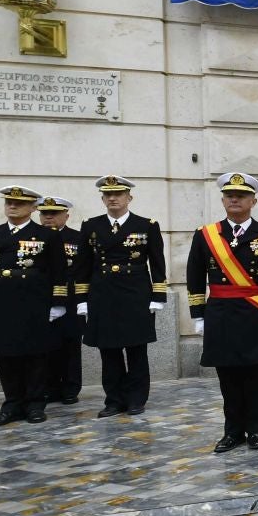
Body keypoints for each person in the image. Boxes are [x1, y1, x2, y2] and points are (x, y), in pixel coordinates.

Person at [187, 172, 258, 452]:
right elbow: (194, 275)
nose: (235, 199)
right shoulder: (206, 235)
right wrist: (198, 314)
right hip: (220, 313)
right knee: (228, 377)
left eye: (242, 196)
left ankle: (257, 430)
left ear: (253, 201)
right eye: (230, 195)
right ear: (223, 200)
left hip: (255, 313)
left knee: (256, 375)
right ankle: (232, 431)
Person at [77, 175, 169, 417]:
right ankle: (114, 400)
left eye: (118, 194)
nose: (113, 198)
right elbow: (83, 266)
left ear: (129, 197)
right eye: (108, 195)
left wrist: (158, 296)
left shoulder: (147, 225)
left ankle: (137, 398)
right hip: (102, 295)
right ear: (102, 199)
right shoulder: (91, 226)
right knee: (109, 350)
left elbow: (158, 263)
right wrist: (82, 300)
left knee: (136, 349)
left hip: (136, 294)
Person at [0, 185, 66, 427]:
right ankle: (12, 404)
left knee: (35, 356)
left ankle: (35, 404)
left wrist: (57, 303)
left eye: (18, 203)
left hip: (33, 301)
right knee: (5, 357)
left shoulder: (48, 235)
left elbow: (59, 272)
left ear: (32, 207)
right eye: (8, 202)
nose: (12, 206)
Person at [36, 195, 85, 407]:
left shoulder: (78, 238)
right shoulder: (33, 237)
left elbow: (83, 270)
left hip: (70, 300)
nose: (48, 217)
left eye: (54, 213)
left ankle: (71, 388)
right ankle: (49, 388)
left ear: (66, 215)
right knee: (44, 346)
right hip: (40, 300)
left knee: (70, 346)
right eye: (44, 214)